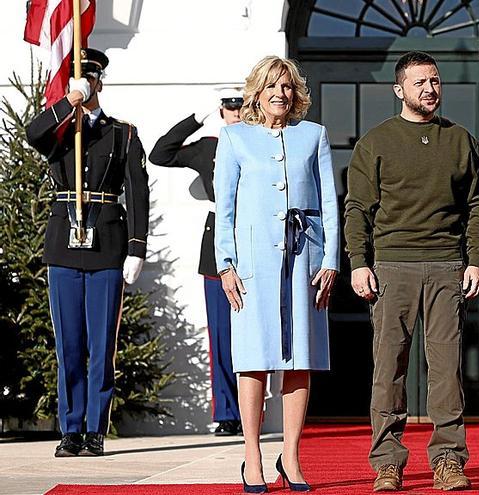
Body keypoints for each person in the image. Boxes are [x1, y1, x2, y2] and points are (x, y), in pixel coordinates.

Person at [344, 51, 479, 492]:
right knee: (389, 369)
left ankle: (448, 460)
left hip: (447, 267)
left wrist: (476, 260)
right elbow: (357, 208)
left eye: (435, 81)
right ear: (399, 90)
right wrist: (358, 263)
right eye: (420, 82)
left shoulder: (460, 140)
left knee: (446, 371)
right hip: (391, 268)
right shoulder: (376, 142)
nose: (430, 89)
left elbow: (478, 205)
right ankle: (387, 462)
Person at [214, 55, 338, 492]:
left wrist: (330, 261)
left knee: (299, 358)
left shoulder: (314, 136)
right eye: (272, 87)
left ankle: (293, 455)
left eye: (287, 87)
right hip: (251, 266)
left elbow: (329, 205)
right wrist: (225, 265)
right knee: (253, 359)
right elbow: (224, 209)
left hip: (304, 261)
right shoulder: (233, 139)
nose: (280, 95)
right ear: (257, 93)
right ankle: (253, 456)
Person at [25, 48, 149, 457]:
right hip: (64, 245)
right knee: (70, 346)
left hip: (107, 244)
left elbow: (138, 191)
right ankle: (70, 429)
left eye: (91, 79)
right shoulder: (61, 133)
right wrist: (67, 104)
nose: (86, 84)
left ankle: (95, 428)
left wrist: (137, 248)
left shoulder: (123, 133)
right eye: (80, 78)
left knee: (101, 346)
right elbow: (32, 133)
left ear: (100, 81)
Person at [149, 87, 244, 436]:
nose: (237, 113)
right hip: (217, 242)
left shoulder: (261, 141)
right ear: (222, 111)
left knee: (252, 334)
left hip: (254, 241)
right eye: (230, 107)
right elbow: (160, 154)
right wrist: (197, 118)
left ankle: (252, 407)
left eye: (242, 106)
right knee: (221, 334)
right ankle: (229, 413)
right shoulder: (208, 147)